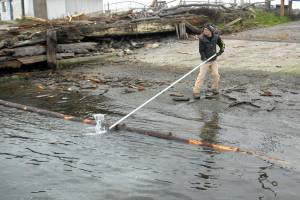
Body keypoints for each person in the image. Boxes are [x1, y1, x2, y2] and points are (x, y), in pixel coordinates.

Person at [193, 23, 225, 99]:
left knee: (216, 74)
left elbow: (222, 45)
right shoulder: (202, 38)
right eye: (204, 30)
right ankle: (196, 91)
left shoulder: (216, 37)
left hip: (213, 60)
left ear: (211, 31)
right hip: (205, 61)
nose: (205, 31)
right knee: (201, 76)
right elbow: (201, 50)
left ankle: (214, 88)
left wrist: (221, 51)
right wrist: (204, 58)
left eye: (207, 30)